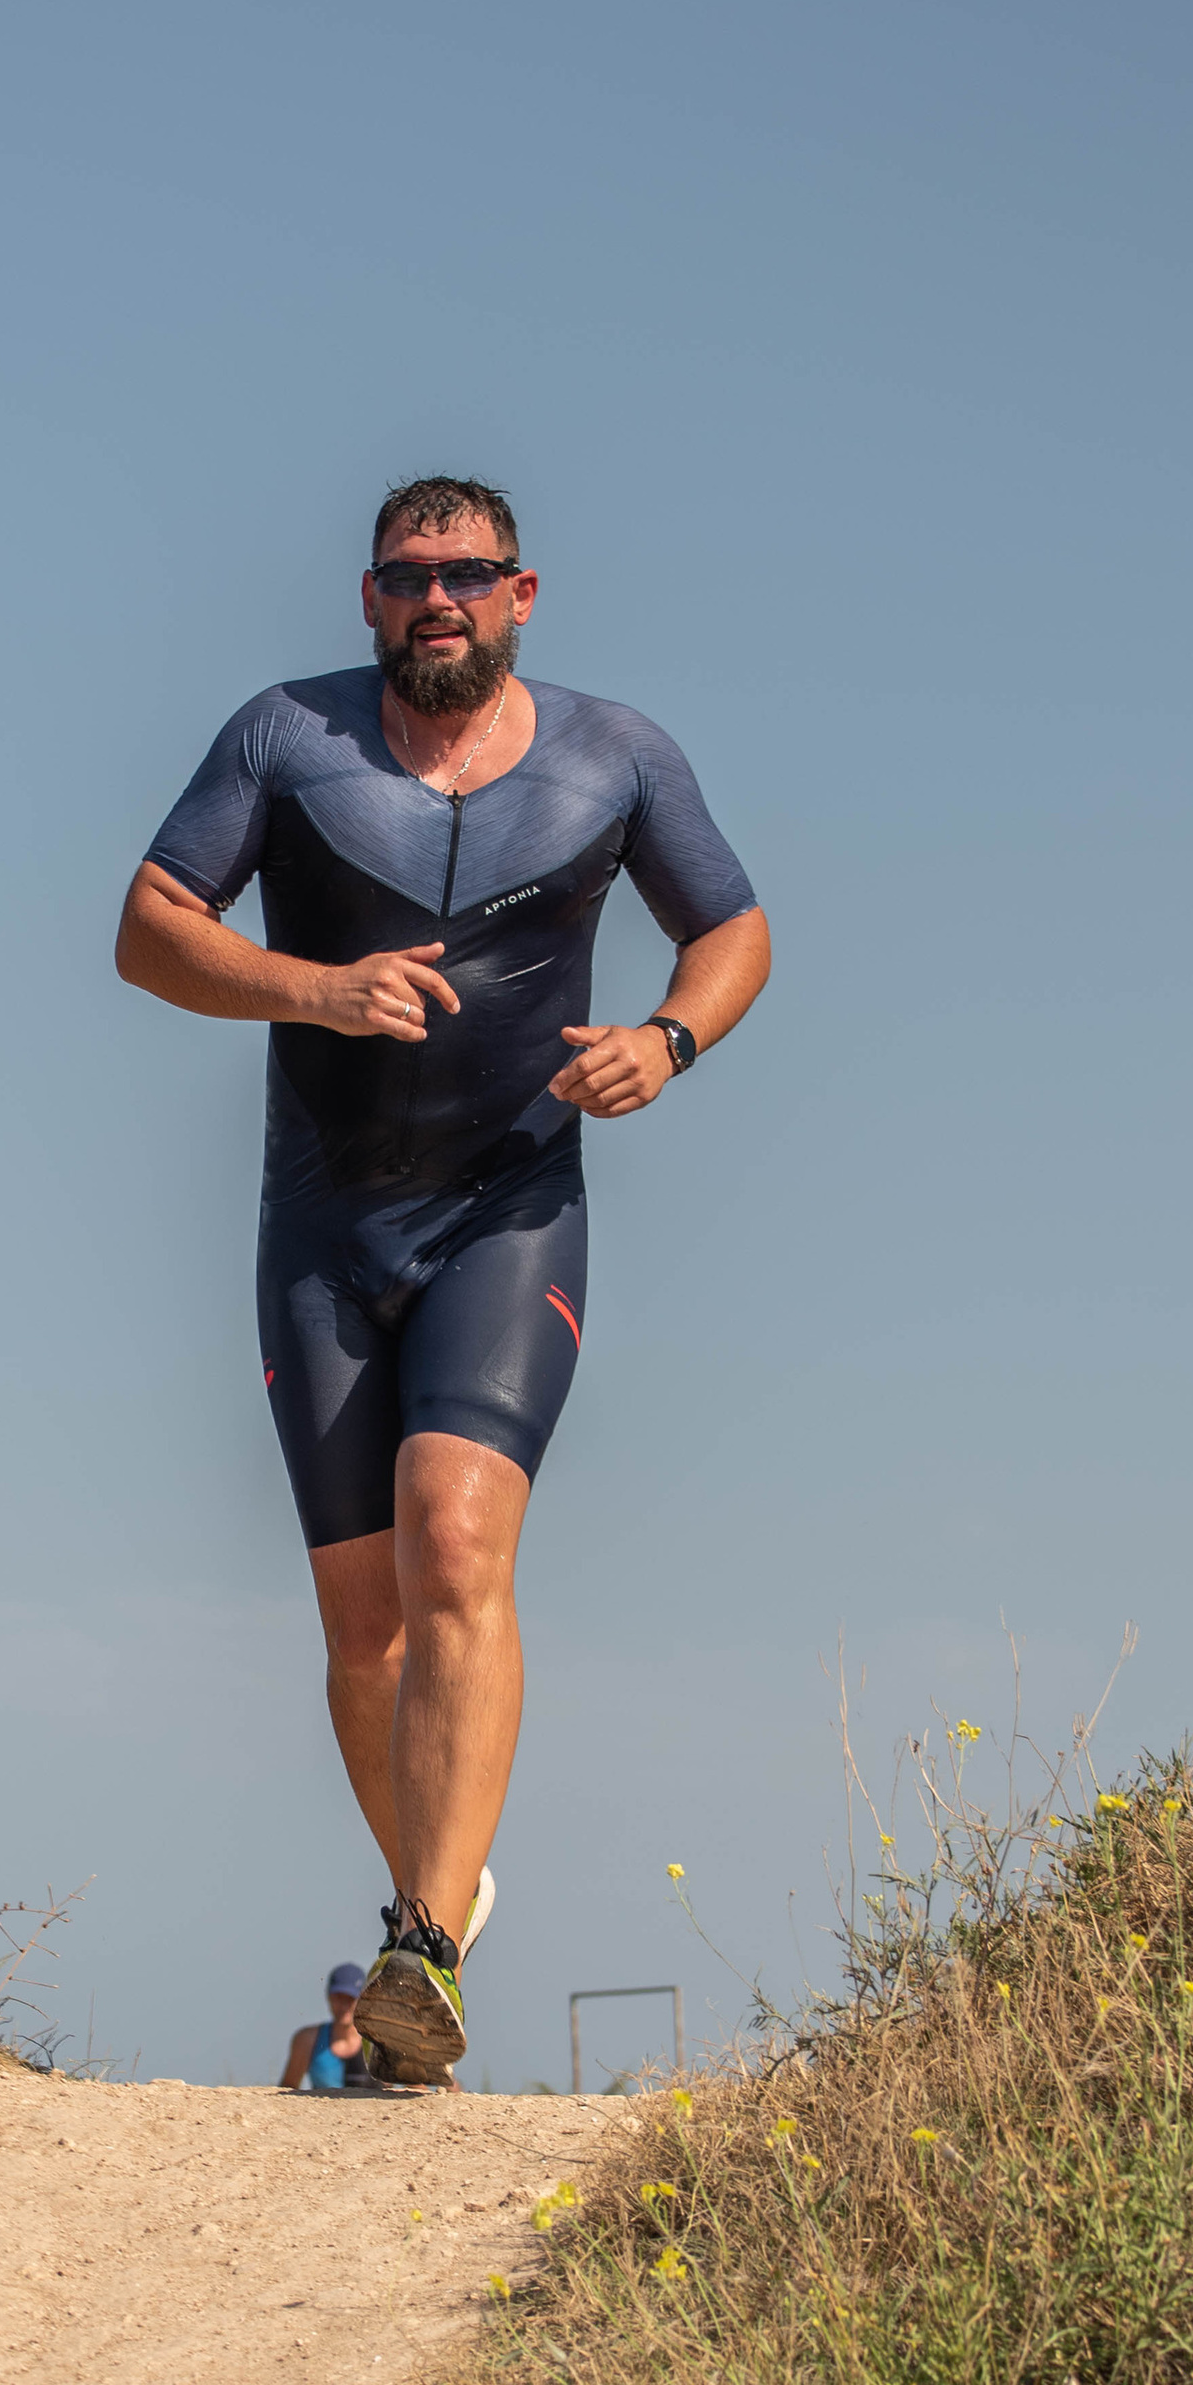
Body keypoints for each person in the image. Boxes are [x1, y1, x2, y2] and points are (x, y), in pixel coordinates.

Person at [116, 474, 770, 2087]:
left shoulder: (617, 753)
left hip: (509, 1208)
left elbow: (735, 928)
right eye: (409, 575)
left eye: (468, 574)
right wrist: (317, 989)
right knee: (364, 1630)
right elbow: (150, 928)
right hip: (325, 1225)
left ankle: (421, 1945)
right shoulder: (285, 737)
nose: (438, 600)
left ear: (521, 592)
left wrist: (668, 1040)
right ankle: (441, 1893)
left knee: (455, 1536)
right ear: (368, 596)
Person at [281, 1962, 368, 2094]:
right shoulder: (307, 2041)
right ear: (328, 1997)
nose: (344, 2006)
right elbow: (287, 2089)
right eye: (338, 1998)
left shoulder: (379, 2043)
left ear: (364, 1999)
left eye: (350, 1999)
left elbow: (400, 2091)